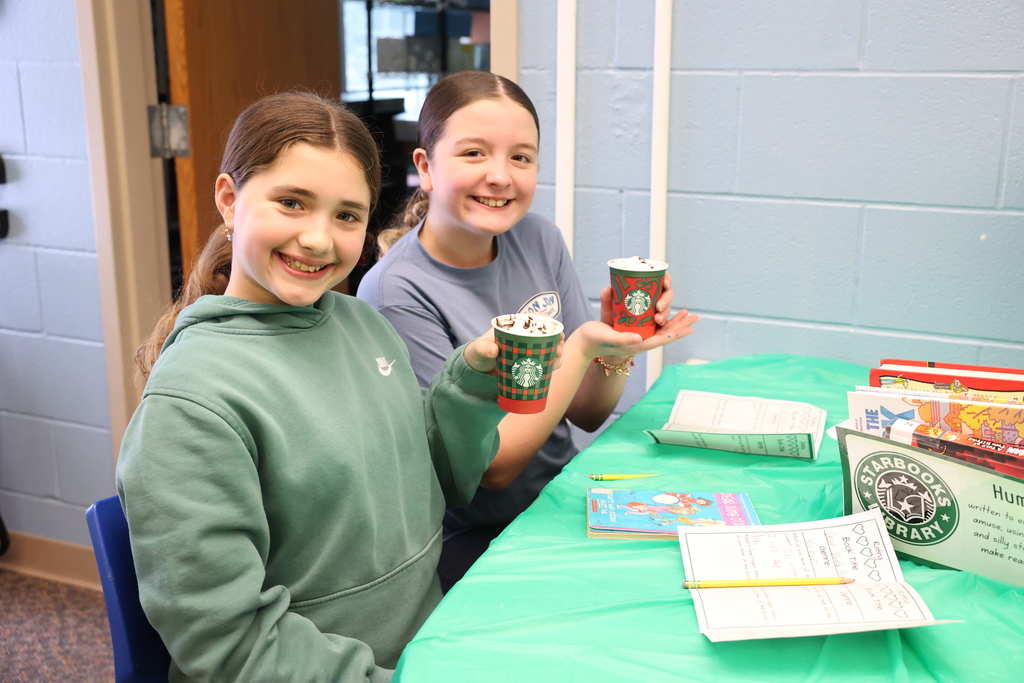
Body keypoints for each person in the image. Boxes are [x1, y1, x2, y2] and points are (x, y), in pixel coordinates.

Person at [117, 92, 513, 682]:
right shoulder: (193, 401)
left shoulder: (362, 324)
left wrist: (471, 384)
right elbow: (226, 641)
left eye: (347, 215)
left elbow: (434, 481)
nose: (319, 239)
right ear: (229, 199)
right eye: (292, 202)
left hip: (423, 645)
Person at [357, 71, 700, 592]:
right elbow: (490, 469)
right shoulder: (395, 291)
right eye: (474, 153)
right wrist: (582, 343)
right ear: (425, 168)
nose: (501, 175)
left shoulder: (538, 238)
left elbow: (586, 412)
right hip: (472, 535)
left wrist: (614, 344)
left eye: (521, 157)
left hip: (560, 499)